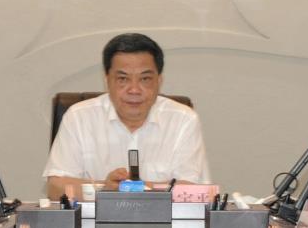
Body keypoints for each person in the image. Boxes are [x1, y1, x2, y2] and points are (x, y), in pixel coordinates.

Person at [44, 33, 210, 199]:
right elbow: (55, 187)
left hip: (165, 217)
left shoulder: (183, 119)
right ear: (107, 80)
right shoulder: (78, 117)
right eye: (123, 79)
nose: (134, 90)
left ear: (159, 81)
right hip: (95, 216)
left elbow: (194, 191)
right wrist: (105, 189)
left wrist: (130, 189)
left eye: (145, 79)